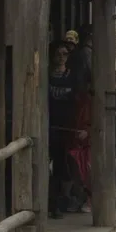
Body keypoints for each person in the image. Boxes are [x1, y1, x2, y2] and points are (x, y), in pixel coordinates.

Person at [48, 41, 79, 219]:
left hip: (66, 125)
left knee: (62, 165)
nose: (61, 57)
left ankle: (59, 202)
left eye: (65, 54)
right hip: (48, 123)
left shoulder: (72, 76)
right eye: (58, 53)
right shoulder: (45, 75)